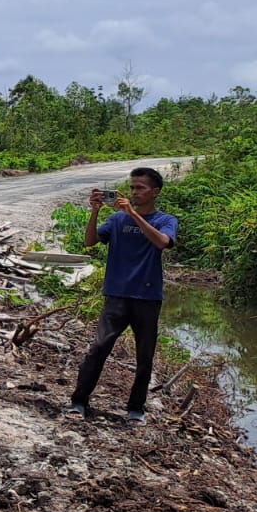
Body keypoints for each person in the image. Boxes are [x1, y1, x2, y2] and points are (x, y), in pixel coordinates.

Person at [66, 168, 178, 424]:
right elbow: (90, 241)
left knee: (145, 355)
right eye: (132, 187)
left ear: (155, 192)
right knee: (98, 348)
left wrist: (133, 214)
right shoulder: (116, 220)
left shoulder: (165, 220)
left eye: (140, 188)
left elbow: (162, 242)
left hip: (148, 297)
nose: (135, 192)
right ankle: (79, 401)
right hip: (116, 294)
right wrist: (94, 212)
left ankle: (136, 408)